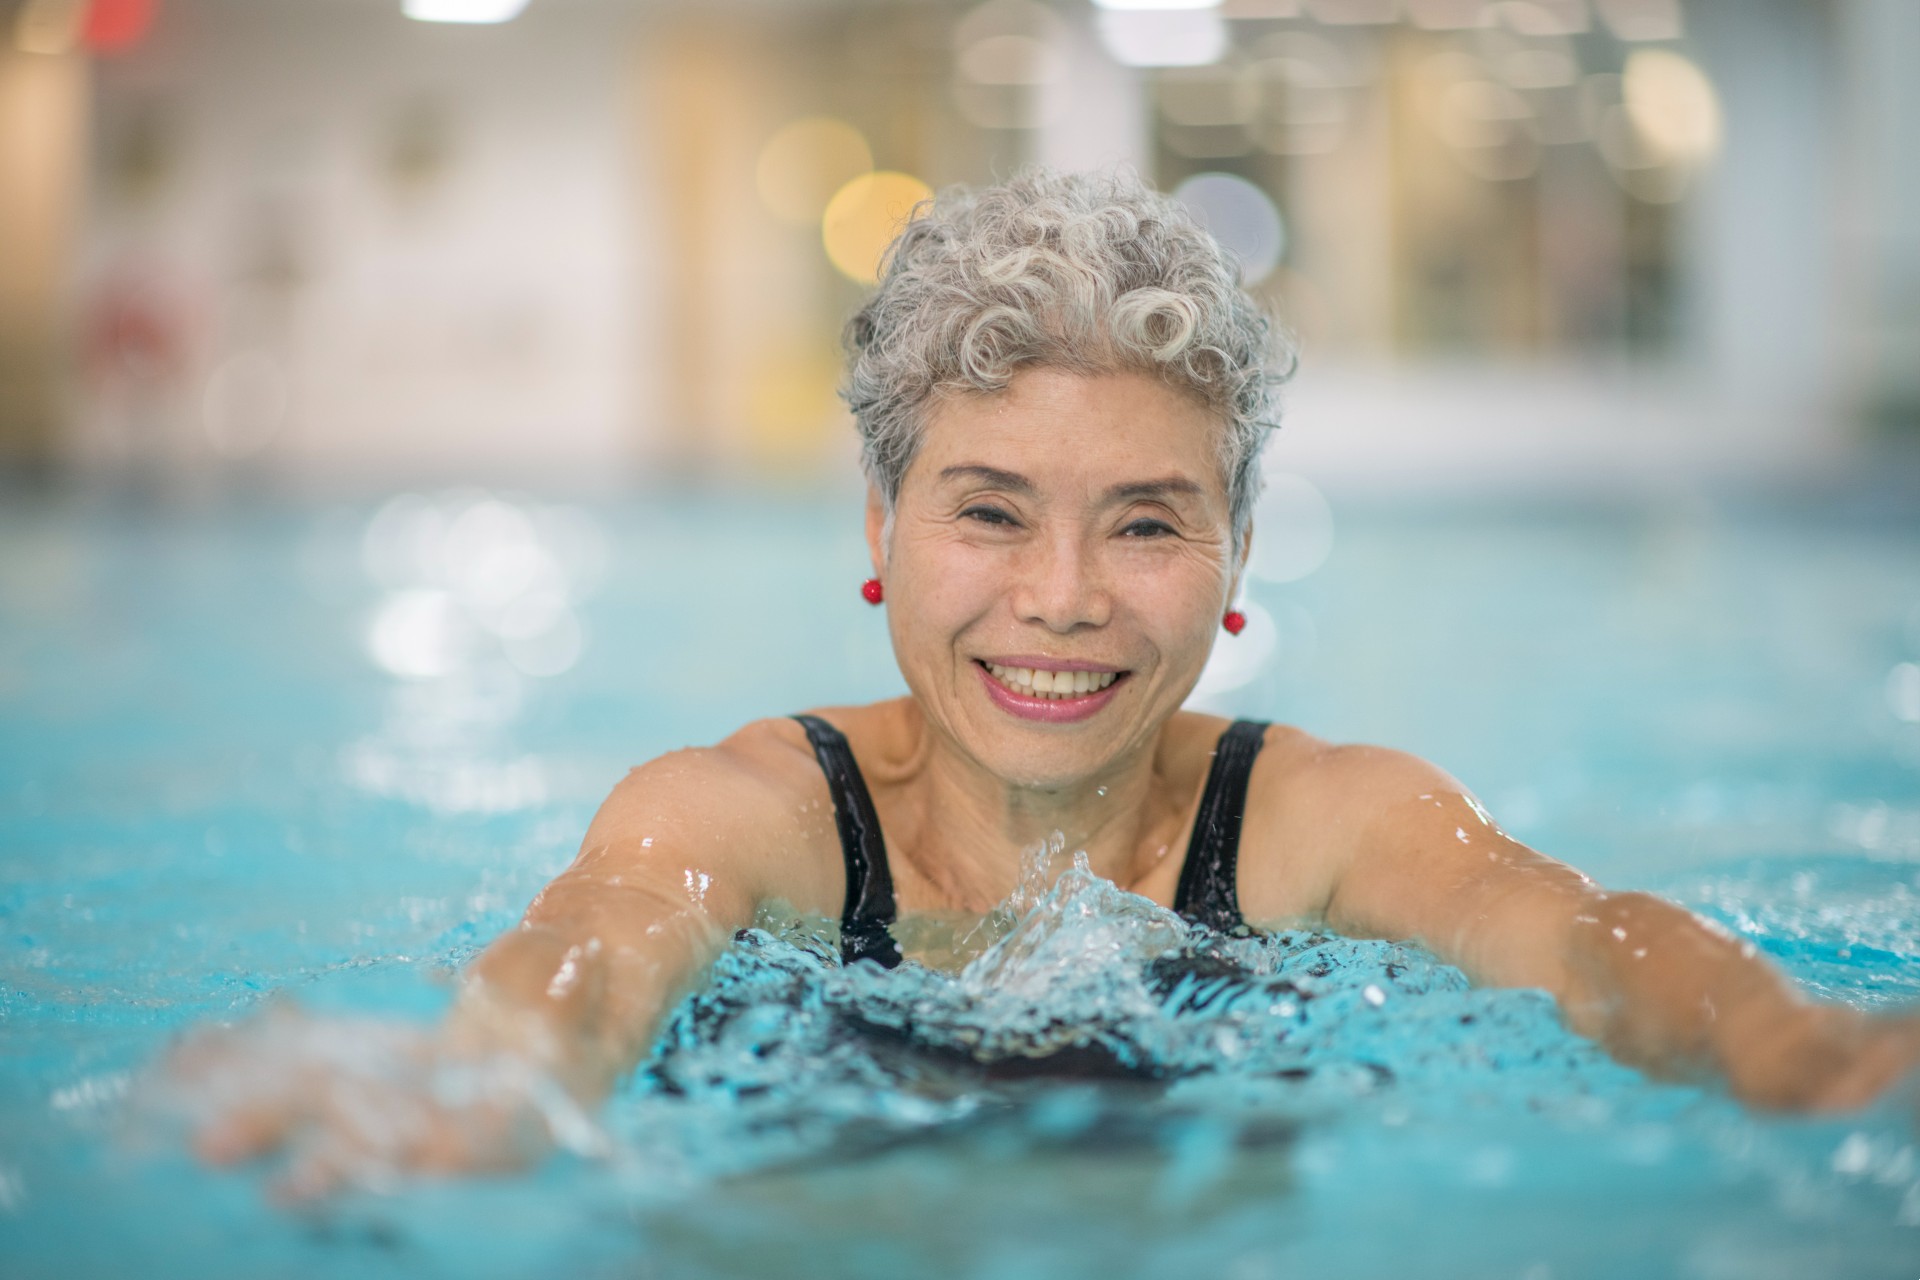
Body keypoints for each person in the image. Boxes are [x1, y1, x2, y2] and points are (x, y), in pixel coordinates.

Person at [185, 168, 1920, 1197]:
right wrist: (477, 1086)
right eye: (989, 512)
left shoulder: (1326, 822)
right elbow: (591, 958)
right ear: (880, 521)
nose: (1062, 602)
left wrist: (1805, 1047)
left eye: (1146, 523)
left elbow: (1588, 940)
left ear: (1237, 553)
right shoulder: (746, 819)